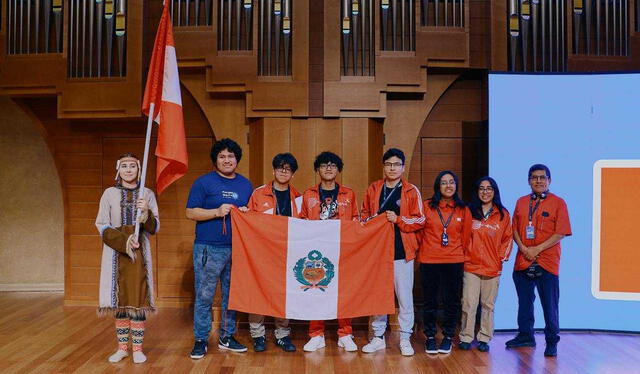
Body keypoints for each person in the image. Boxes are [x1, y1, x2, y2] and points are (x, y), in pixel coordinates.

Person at [186, 138, 253, 359]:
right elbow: (191, 212)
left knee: (231, 296)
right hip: (208, 248)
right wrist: (216, 211)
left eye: (231, 156)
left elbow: (253, 217)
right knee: (204, 296)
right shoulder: (203, 183)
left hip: (238, 249)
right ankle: (201, 339)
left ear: (237, 159)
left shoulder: (246, 185)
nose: (227, 160)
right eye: (222, 156)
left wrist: (245, 213)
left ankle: (226, 336)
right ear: (216, 159)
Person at [360, 148, 425, 356]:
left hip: (402, 252)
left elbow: (420, 219)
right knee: (378, 296)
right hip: (378, 253)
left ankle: (405, 337)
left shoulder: (411, 190)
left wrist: (398, 220)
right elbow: (363, 216)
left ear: (403, 167)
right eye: (388, 164)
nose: (392, 167)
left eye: (396, 164)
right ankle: (377, 337)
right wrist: (371, 222)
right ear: (384, 166)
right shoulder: (374, 188)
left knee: (404, 297)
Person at [96, 153, 159, 364]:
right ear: (118, 169)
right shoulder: (109, 194)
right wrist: (124, 240)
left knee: (137, 299)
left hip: (138, 254)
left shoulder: (147, 194)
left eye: (133, 166)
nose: (129, 170)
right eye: (124, 166)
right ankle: (122, 347)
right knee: (120, 300)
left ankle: (138, 349)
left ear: (138, 169)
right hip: (116, 252)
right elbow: (102, 225)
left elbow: (155, 226)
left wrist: (146, 212)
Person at [506, 164, 571, 357]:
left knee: (550, 305)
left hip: (547, 262)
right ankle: (526, 335)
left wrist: (536, 249)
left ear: (549, 180)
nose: (539, 181)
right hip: (523, 259)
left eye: (543, 177)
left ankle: (551, 341)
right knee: (524, 302)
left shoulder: (559, 203)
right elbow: (515, 229)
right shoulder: (521, 202)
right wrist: (525, 249)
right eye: (534, 177)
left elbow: (561, 232)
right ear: (529, 181)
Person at [300, 151, 360, 352]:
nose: (328, 168)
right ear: (318, 169)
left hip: (342, 250)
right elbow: (301, 222)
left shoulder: (348, 194)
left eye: (333, 165)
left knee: (344, 292)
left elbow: (356, 222)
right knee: (316, 290)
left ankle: (345, 333)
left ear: (338, 169)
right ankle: (316, 334)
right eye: (324, 165)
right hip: (317, 252)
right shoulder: (308, 194)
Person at [246, 153, 301, 353]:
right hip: (261, 253)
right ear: (273, 170)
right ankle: (258, 335)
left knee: (284, 294)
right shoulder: (259, 194)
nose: (283, 172)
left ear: (293, 174)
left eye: (288, 169)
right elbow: (249, 221)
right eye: (280, 168)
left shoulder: (299, 198)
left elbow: (305, 226)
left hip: (288, 253)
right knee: (258, 291)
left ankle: (282, 335)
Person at [418, 170, 471, 355]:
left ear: (456, 186)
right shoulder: (426, 206)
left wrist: (456, 253)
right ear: (437, 187)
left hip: (454, 261)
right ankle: (430, 337)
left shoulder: (463, 209)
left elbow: (466, 237)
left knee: (452, 302)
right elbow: (419, 231)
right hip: (429, 260)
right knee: (430, 301)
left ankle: (448, 336)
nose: (448, 186)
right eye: (443, 182)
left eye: (451, 182)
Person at [459, 177, 513, 353]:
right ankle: (466, 336)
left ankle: (484, 337)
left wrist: (500, 259)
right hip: (471, 266)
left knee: (488, 305)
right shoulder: (469, 211)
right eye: (481, 188)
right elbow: (461, 236)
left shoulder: (503, 214)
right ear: (477, 191)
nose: (485, 191)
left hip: (492, 267)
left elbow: (508, 238)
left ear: (494, 191)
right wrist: (465, 255)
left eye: (489, 188)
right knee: (468, 303)